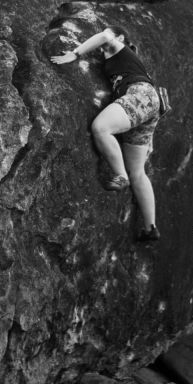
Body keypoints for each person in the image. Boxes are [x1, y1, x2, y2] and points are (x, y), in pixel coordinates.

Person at [50, 25, 162, 242]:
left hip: (139, 96)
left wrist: (75, 54)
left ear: (121, 38)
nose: (102, 49)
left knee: (101, 128)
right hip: (149, 104)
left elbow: (104, 36)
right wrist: (150, 139)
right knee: (138, 172)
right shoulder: (130, 63)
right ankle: (151, 228)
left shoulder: (119, 47)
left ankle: (120, 176)